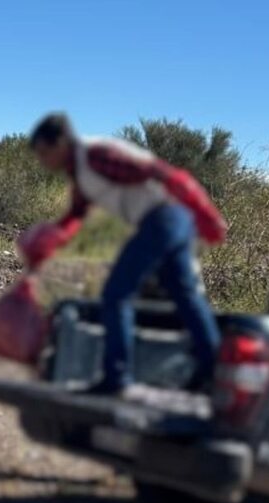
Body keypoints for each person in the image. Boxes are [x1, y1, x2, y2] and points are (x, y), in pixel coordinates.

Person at [22, 112, 228, 395]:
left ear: (60, 142)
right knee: (186, 298)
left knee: (116, 295)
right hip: (170, 221)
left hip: (164, 219)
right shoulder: (80, 171)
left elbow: (166, 174)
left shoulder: (97, 155)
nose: (43, 161)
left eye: (44, 153)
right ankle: (214, 376)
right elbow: (75, 216)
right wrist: (45, 240)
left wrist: (208, 217)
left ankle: (116, 379)